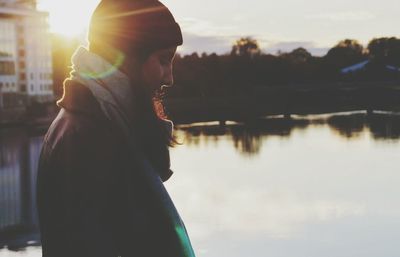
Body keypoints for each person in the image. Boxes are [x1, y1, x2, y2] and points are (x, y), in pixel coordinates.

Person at [36, 0, 195, 256]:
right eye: (164, 60)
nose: (169, 77)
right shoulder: (87, 139)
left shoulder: (102, 125)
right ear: (129, 58)